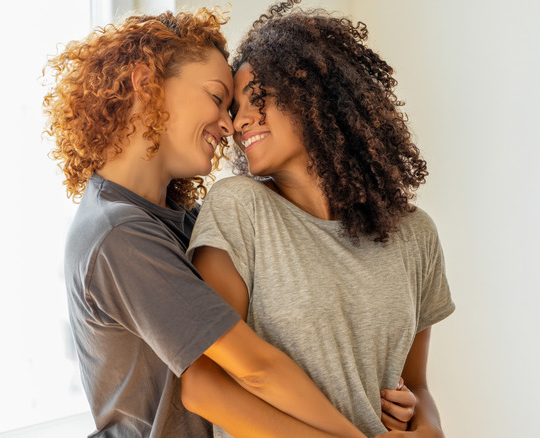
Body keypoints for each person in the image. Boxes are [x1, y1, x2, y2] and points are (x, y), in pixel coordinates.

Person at [43, 8, 372, 437]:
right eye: (218, 99)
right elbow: (254, 369)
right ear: (146, 85)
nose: (230, 123)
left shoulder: (186, 222)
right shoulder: (118, 235)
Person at [188, 2, 455, 437]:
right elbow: (205, 384)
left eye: (260, 96)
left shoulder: (415, 235)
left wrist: (431, 429)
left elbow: (416, 386)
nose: (240, 121)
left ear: (317, 96)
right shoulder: (239, 209)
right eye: (235, 108)